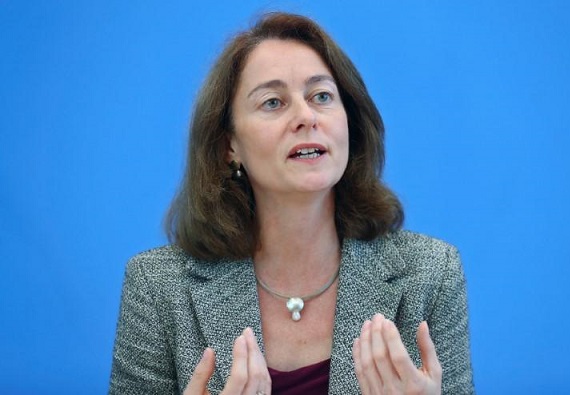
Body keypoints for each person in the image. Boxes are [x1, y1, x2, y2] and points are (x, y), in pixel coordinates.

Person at [109, 12, 474, 395]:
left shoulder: (431, 273)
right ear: (229, 146)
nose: (306, 116)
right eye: (272, 102)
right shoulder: (157, 287)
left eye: (321, 96)